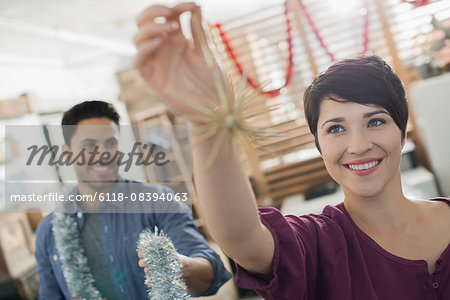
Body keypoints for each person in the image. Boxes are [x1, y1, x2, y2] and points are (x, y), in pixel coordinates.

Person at [133, 3, 450, 300]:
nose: (359, 145)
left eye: (376, 121)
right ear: (318, 144)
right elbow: (241, 237)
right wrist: (206, 118)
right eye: (335, 128)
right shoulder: (317, 244)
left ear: (402, 126)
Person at [35, 100, 231, 299]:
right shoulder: (48, 230)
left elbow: (211, 273)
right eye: (89, 145)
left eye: (110, 143)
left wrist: (180, 265)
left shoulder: (157, 201)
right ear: (67, 154)